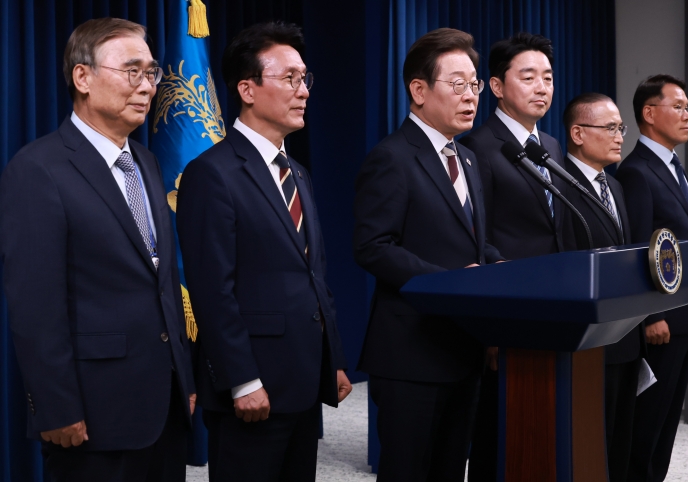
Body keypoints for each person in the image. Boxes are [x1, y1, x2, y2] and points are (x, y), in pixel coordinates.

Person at [0, 17, 195, 481]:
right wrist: (56, 407)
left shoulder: (145, 161)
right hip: (92, 413)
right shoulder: (38, 169)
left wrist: (183, 377)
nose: (147, 86)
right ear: (82, 77)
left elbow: (162, 280)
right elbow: (35, 304)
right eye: (132, 71)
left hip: (163, 405)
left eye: (152, 72)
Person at [175, 22, 352, 482]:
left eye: (305, 79)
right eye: (289, 78)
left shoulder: (297, 172)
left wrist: (331, 358)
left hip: (303, 379)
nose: (304, 91)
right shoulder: (211, 173)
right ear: (247, 89)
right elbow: (212, 290)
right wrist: (242, 380)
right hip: (253, 388)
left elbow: (314, 275)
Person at [353, 28, 503, 481]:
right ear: (418, 90)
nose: (471, 96)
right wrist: (450, 283)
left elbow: (472, 242)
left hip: (463, 350)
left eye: (474, 84)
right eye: (457, 84)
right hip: (411, 354)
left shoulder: (468, 159)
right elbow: (373, 247)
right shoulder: (392, 157)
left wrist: (501, 268)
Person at [459, 32, 570, 481]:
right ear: (497, 87)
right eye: (528, 77)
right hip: (508, 317)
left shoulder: (552, 148)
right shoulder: (478, 148)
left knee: (542, 437)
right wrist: (491, 328)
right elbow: (478, 240)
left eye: (548, 77)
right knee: (497, 440)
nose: (542, 87)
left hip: (552, 311)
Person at [616, 74, 688, 482]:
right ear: (649, 112)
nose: (687, 115)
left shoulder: (672, 166)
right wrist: (651, 316)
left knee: (668, 422)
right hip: (663, 322)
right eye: (678, 106)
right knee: (648, 422)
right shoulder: (637, 172)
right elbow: (637, 247)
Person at [562, 93, 644, 482]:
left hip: (624, 335)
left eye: (621, 128)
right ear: (578, 133)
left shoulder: (615, 185)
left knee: (619, 443)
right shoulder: (559, 184)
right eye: (610, 128)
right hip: (588, 340)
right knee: (590, 447)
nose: (620, 137)